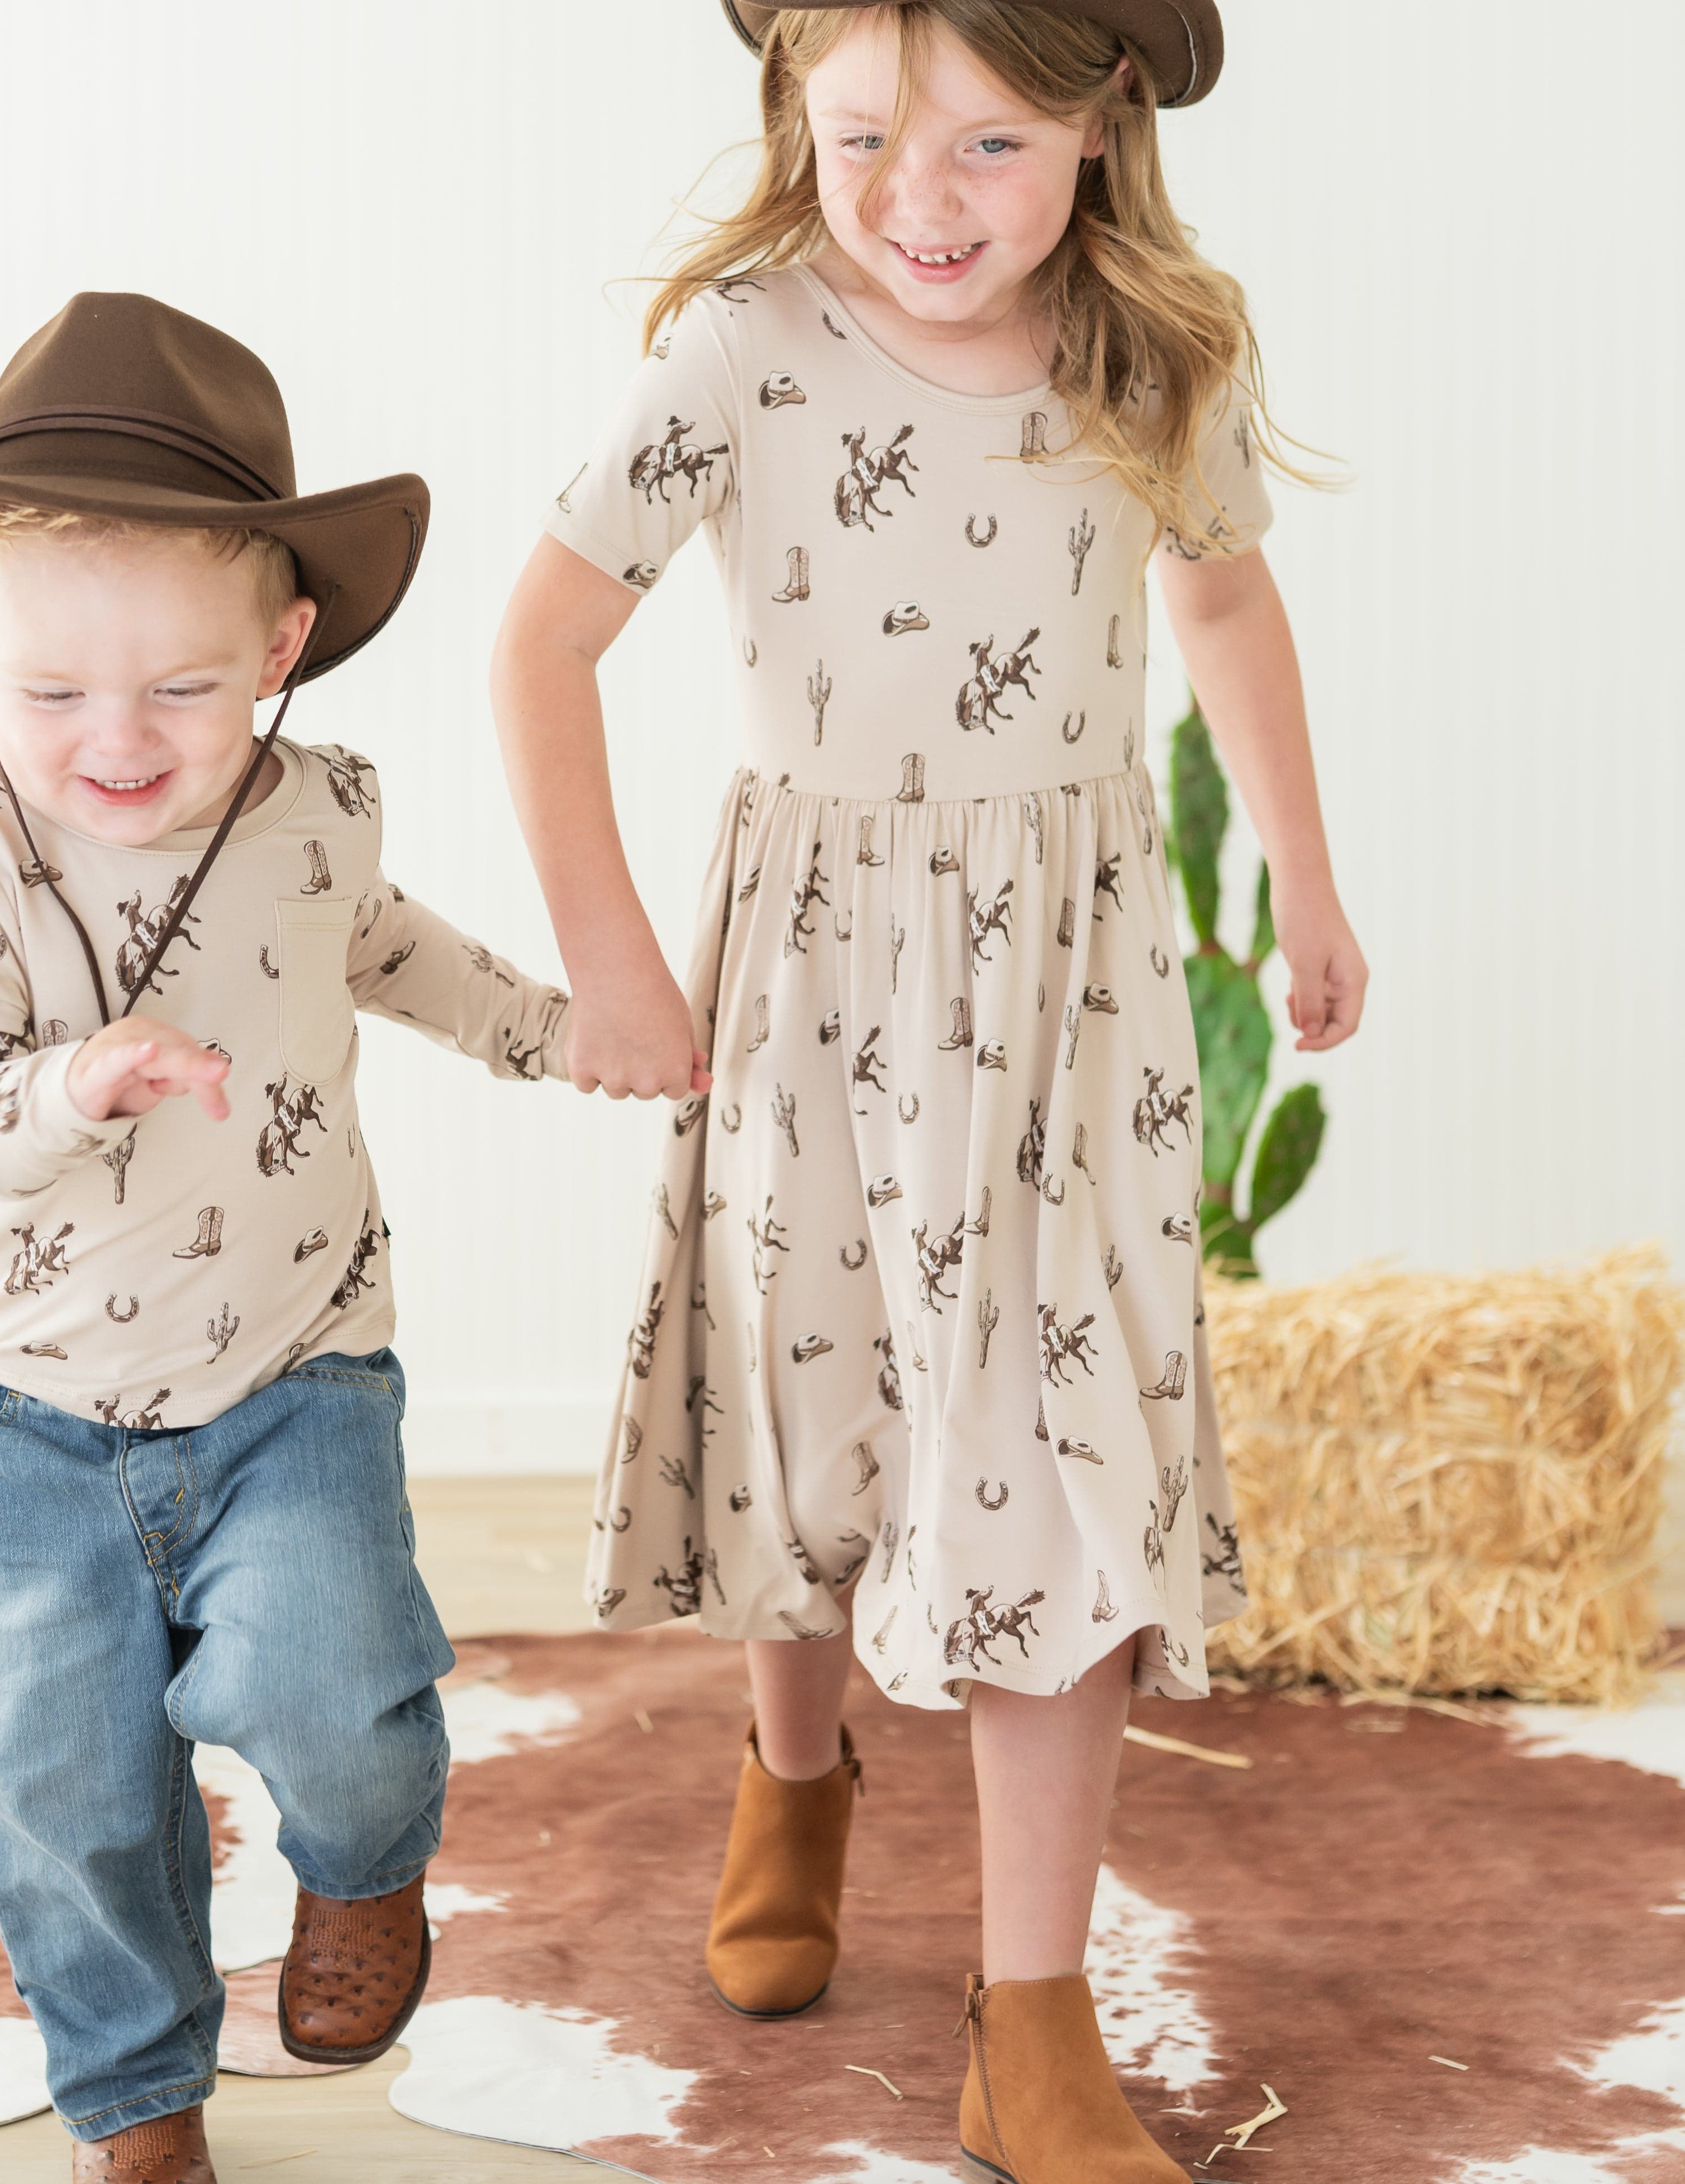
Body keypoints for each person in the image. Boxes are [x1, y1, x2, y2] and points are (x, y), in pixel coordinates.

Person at [490, 6, 1365, 2176]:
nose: (916, 203)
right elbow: (541, 639)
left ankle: (1038, 2016)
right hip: (813, 960)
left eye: (989, 147)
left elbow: (1228, 601)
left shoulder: (1148, 358)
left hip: (1070, 983)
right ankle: (798, 1768)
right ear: (794, 115)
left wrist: (1307, 875)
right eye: (867, 137)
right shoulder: (738, 354)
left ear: (1100, 124)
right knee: (819, 1394)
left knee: (1052, 1456)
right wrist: (605, 946)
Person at [0, 293, 573, 2184]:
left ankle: (366, 1862)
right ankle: (137, 2106)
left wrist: (551, 1029)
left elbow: (389, 950)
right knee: (55, 1787)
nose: (120, 742)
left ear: (282, 647)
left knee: (334, 1681)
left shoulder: (317, 822)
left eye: (182, 691)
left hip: (293, 1372)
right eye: (54, 693)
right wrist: (74, 1088)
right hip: (44, 1422)